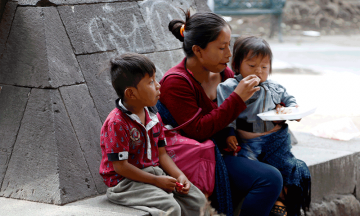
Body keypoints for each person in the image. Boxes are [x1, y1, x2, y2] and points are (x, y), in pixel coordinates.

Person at [157, 10, 283, 216]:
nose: (229, 54)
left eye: (229, 46)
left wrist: (274, 106)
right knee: (270, 178)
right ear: (198, 50)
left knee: (282, 159)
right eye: (222, 47)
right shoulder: (176, 82)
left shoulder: (224, 73)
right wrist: (237, 98)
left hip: (224, 149)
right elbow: (198, 130)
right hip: (197, 156)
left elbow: (238, 115)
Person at [99, 53, 207, 216]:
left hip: (153, 174)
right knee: (171, 207)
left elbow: (162, 154)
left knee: (198, 201)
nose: (158, 85)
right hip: (124, 183)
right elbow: (120, 167)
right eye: (150, 82)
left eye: (155, 79)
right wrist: (156, 181)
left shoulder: (154, 116)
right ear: (131, 93)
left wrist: (179, 175)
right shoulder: (117, 123)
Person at [217, 36, 311, 216]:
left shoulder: (274, 87)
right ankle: (274, 200)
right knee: (252, 165)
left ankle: (282, 202)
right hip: (248, 141)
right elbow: (225, 113)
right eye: (252, 66)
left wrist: (293, 110)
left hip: (275, 139)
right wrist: (229, 133)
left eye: (264, 67)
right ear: (236, 66)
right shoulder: (229, 87)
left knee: (291, 169)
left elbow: (290, 100)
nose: (258, 71)